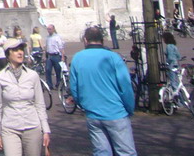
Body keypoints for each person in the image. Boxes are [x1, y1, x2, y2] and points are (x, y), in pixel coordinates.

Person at [69, 25, 136, 156]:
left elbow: (74, 88)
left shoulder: (77, 58)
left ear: (85, 40)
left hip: (93, 114)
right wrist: (129, 108)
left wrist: (83, 104)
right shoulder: (113, 57)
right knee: (126, 152)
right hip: (116, 113)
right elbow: (126, 87)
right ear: (102, 40)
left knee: (101, 152)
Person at [0, 38, 51, 156]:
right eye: (15, 50)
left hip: (32, 126)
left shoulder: (32, 75)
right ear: (8, 54)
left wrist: (46, 129)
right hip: (10, 128)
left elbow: (39, 104)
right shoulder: (0, 77)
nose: (20, 52)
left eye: (21, 49)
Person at [44, 24, 64, 90]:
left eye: (50, 29)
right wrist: (45, 55)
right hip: (49, 55)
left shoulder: (57, 37)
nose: (48, 30)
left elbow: (61, 47)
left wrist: (62, 56)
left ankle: (58, 84)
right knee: (47, 70)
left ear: (53, 29)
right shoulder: (47, 37)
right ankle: (49, 85)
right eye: (48, 29)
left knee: (58, 70)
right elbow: (46, 47)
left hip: (56, 55)